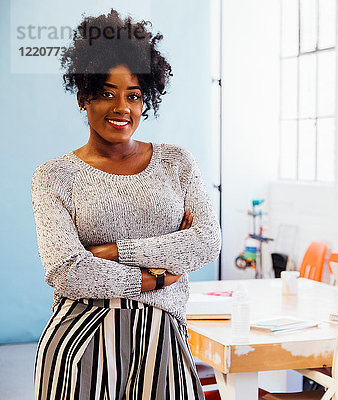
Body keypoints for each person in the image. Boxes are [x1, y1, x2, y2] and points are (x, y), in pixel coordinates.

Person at [31, 11, 220, 400]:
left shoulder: (176, 162)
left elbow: (205, 243)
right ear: (84, 97)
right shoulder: (54, 176)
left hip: (164, 338)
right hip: (80, 343)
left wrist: (115, 252)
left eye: (133, 95)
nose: (122, 108)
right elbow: (68, 272)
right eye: (106, 93)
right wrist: (159, 276)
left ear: (146, 97)